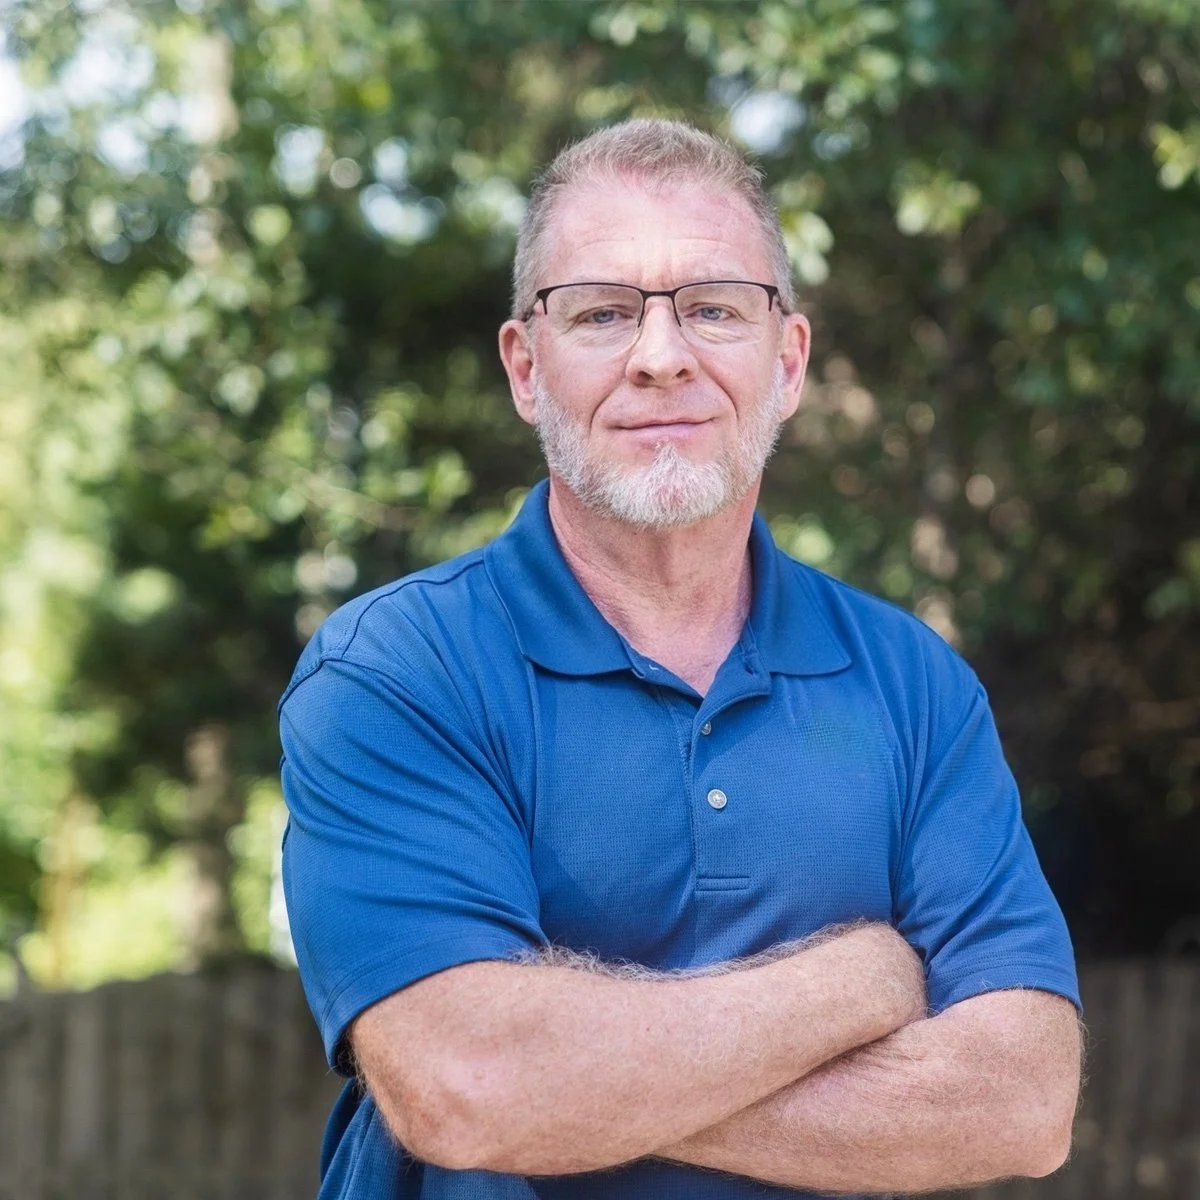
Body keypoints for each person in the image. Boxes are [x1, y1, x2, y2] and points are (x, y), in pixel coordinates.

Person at [278, 118, 1082, 1200]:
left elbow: (1021, 1104)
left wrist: (581, 1087)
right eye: (603, 313)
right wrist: (863, 979)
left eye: (712, 308)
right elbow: (465, 1083)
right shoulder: (394, 673)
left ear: (788, 361)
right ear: (526, 368)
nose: (661, 357)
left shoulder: (914, 685)